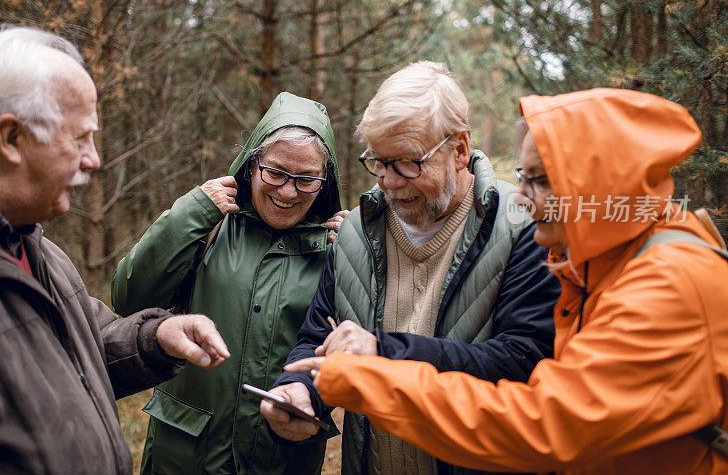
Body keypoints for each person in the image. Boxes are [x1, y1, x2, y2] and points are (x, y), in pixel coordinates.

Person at [287, 87, 728, 473]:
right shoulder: (599, 265)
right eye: (523, 177)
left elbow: (546, 423)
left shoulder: (669, 284)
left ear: (602, 185)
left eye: (539, 181)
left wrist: (371, 376)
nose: (525, 198)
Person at [0, 27, 230, 474]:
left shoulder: (37, 250)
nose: (94, 159)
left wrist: (156, 337)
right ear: (11, 138)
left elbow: (75, 351)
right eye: (80, 138)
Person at [262, 61, 560, 475]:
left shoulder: (523, 227)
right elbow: (319, 338)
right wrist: (299, 391)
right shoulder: (355, 234)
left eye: (406, 162)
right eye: (378, 162)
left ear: (458, 150)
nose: (389, 181)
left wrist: (385, 353)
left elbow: (523, 361)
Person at [111, 91, 346, 474]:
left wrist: (359, 261)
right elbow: (128, 298)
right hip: (184, 456)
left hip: (281, 458)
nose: (288, 191)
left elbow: (358, 350)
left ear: (325, 181)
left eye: (306, 180)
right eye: (276, 172)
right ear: (253, 164)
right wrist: (191, 213)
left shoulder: (337, 247)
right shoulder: (209, 225)